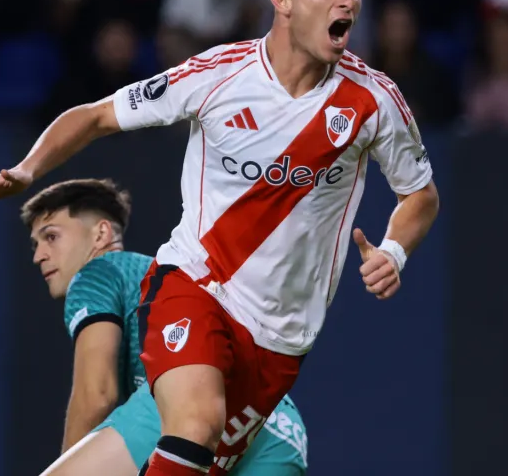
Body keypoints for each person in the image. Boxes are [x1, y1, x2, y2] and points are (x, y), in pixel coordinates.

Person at [0, 0, 440, 476]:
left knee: (189, 455)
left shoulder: (375, 101)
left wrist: (395, 251)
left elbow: (420, 195)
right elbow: (95, 116)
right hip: (194, 286)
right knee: (197, 421)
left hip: (280, 344)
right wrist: (25, 170)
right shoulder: (218, 76)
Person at [20, 178, 307, 475]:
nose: (38, 255)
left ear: (101, 233)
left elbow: (97, 393)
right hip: (278, 425)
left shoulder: (98, 273)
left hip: (187, 401)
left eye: (51, 237)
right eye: (36, 244)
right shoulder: (164, 276)